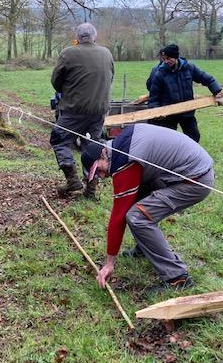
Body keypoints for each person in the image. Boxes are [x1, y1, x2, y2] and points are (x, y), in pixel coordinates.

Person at [81, 123, 215, 293]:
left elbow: (118, 217)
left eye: (98, 170)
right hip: (189, 169)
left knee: (137, 217)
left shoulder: (125, 162)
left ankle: (177, 277)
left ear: (104, 154)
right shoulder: (121, 141)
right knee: (139, 198)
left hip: (195, 180)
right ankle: (145, 248)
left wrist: (109, 263)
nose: (101, 176)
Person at [50, 22, 114, 197]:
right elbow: (111, 78)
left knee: (59, 140)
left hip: (73, 109)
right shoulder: (106, 53)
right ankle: (91, 187)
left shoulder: (68, 53)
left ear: (77, 38)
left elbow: (56, 82)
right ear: (94, 36)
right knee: (93, 146)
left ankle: (72, 180)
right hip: (99, 109)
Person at [148, 44, 223, 143]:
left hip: (187, 112)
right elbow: (154, 96)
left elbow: (207, 79)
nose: (166, 61)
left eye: (168, 58)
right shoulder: (160, 73)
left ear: (176, 57)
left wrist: (218, 93)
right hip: (168, 114)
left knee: (194, 137)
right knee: (168, 141)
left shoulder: (189, 68)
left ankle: (190, 157)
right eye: (164, 59)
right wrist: (156, 111)